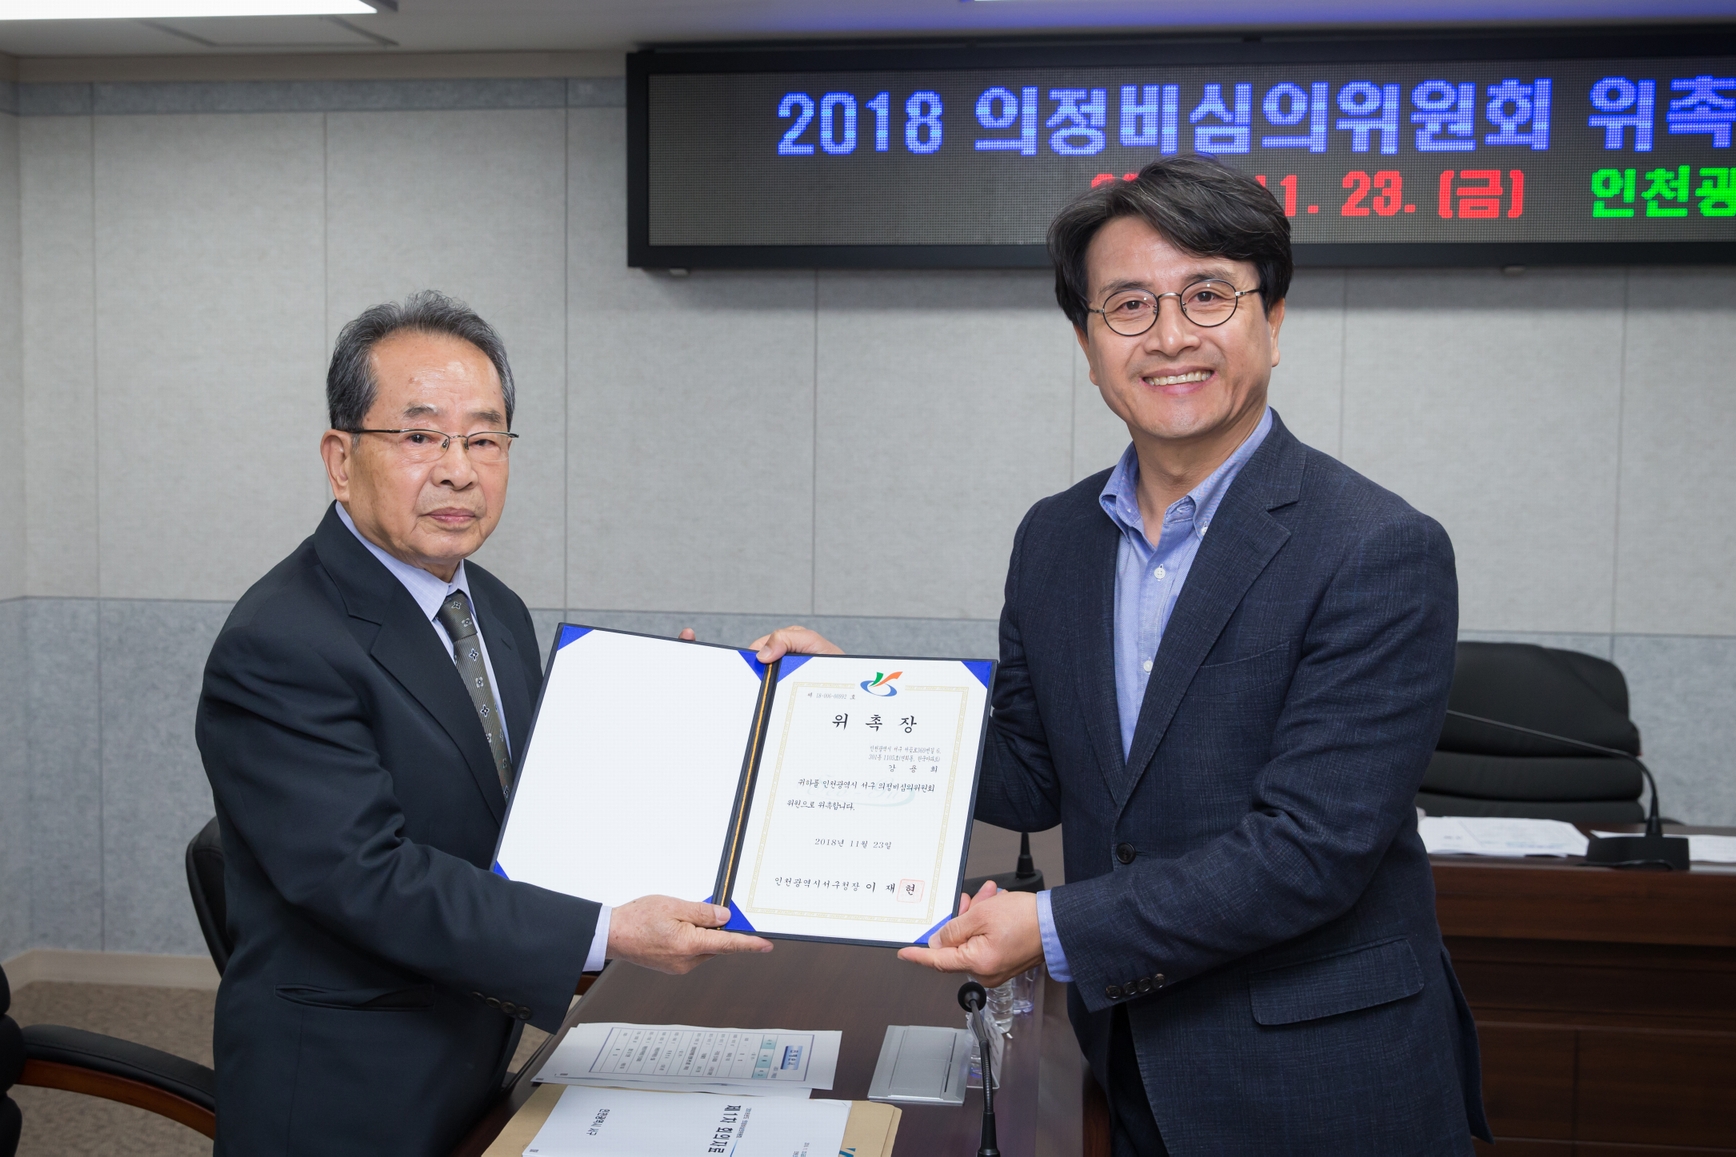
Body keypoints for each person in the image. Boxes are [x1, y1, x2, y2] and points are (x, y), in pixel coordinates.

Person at [752, 158, 1489, 1155]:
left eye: (1208, 295)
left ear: (1273, 321)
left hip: (1319, 1079)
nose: (1170, 335)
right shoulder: (1055, 537)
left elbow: (1309, 851)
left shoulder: (1375, 546)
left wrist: (1051, 927)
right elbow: (1028, 771)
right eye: (1129, 305)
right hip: (1128, 1056)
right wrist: (841, 700)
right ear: (1087, 345)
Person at [196, 291, 772, 1156]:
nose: (459, 470)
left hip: (480, 1046)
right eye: (420, 437)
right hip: (345, 1090)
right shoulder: (279, 641)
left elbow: (519, 804)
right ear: (340, 459)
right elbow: (369, 878)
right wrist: (607, 932)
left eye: (485, 439)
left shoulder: (492, 607)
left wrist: (665, 723)